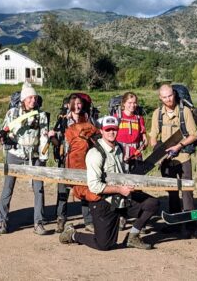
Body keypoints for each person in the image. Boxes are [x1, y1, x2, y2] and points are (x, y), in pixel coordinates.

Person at [59, 116, 159, 250]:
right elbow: (95, 186)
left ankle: (133, 236)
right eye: (108, 129)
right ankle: (73, 235)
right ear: (101, 131)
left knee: (152, 204)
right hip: (103, 202)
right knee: (104, 245)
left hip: (120, 198)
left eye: (114, 129)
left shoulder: (119, 148)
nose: (112, 132)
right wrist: (120, 189)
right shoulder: (95, 153)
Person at [0, 82, 49, 235]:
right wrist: (4, 137)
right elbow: (5, 131)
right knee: (8, 187)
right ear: (23, 99)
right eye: (30, 98)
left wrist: (43, 156)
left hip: (34, 156)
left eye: (35, 97)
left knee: (38, 188)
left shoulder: (41, 116)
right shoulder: (12, 113)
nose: (33, 100)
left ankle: (38, 222)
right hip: (15, 154)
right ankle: (2, 221)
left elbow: (44, 137)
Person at [149, 84, 197, 236]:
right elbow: (152, 137)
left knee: (187, 192)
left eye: (170, 96)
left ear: (174, 94)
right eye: (164, 97)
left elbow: (194, 135)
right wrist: (159, 151)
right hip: (167, 160)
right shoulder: (157, 114)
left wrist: (178, 146)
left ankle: (190, 226)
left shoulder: (185, 112)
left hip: (183, 157)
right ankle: (174, 224)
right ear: (160, 98)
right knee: (171, 193)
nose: (168, 99)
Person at [49, 94, 94, 233]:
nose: (77, 106)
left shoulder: (87, 119)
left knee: (84, 190)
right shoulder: (62, 120)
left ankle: (88, 221)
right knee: (63, 191)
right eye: (74, 103)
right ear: (69, 105)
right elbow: (57, 143)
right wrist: (52, 137)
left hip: (83, 160)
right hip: (66, 160)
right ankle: (61, 219)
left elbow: (93, 138)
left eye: (79, 103)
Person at [115, 92, 148, 172]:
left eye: (135, 103)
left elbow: (145, 140)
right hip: (120, 154)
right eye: (130, 103)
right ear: (124, 103)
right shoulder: (117, 117)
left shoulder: (139, 118)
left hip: (136, 156)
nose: (133, 105)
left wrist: (141, 148)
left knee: (137, 181)